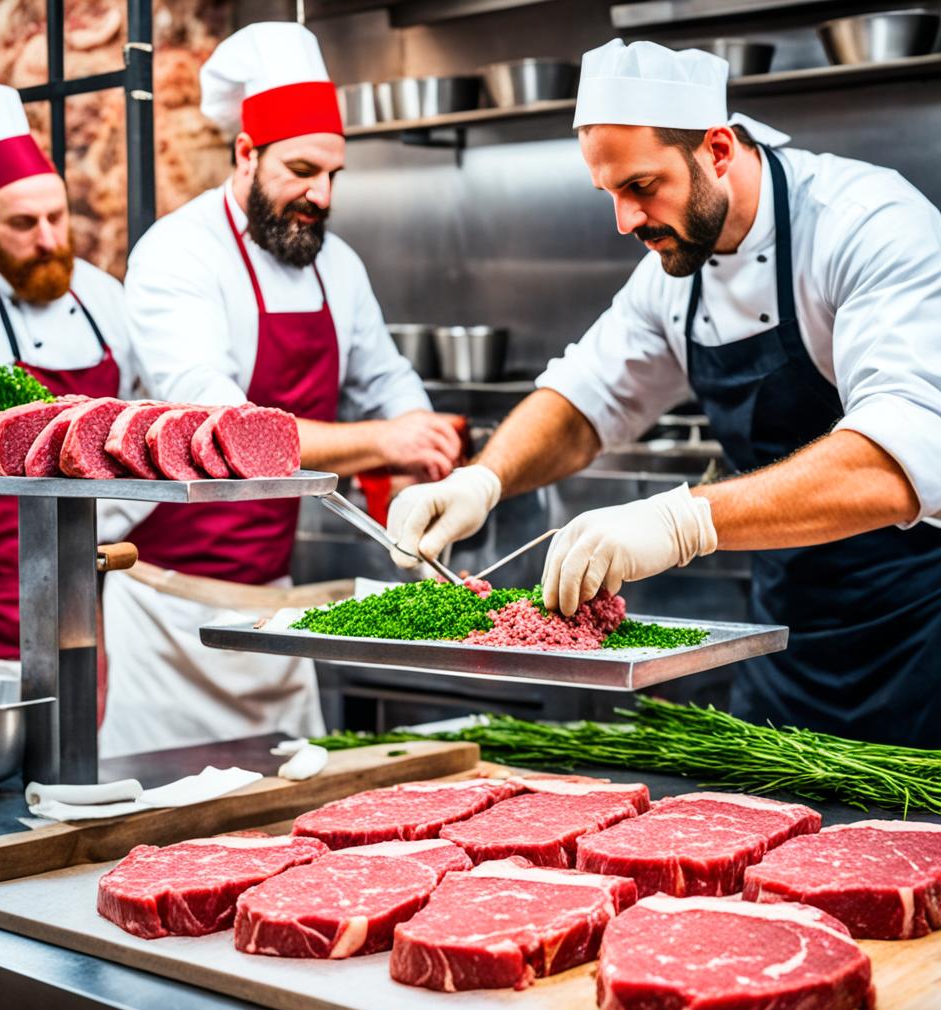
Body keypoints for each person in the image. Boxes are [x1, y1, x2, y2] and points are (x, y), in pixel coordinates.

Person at [387, 39, 941, 746]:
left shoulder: (866, 225)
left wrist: (682, 521)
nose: (625, 221)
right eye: (610, 195)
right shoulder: (675, 267)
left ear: (717, 150)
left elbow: (900, 456)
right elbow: (586, 398)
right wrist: (483, 478)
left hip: (917, 630)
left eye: (642, 187)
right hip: (785, 634)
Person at [99, 22, 461, 757]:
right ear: (246, 153)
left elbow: (385, 377)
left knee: (294, 812)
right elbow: (220, 423)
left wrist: (419, 444)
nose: (320, 195)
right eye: (301, 170)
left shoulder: (339, 266)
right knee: (160, 815)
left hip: (275, 610)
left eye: (333, 176)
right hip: (168, 617)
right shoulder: (177, 254)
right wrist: (383, 442)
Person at [0, 84, 134, 664]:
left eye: (56, 217)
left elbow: (143, 419)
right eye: (23, 223)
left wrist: (103, 526)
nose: (48, 240)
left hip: (85, 594)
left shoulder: (103, 296)